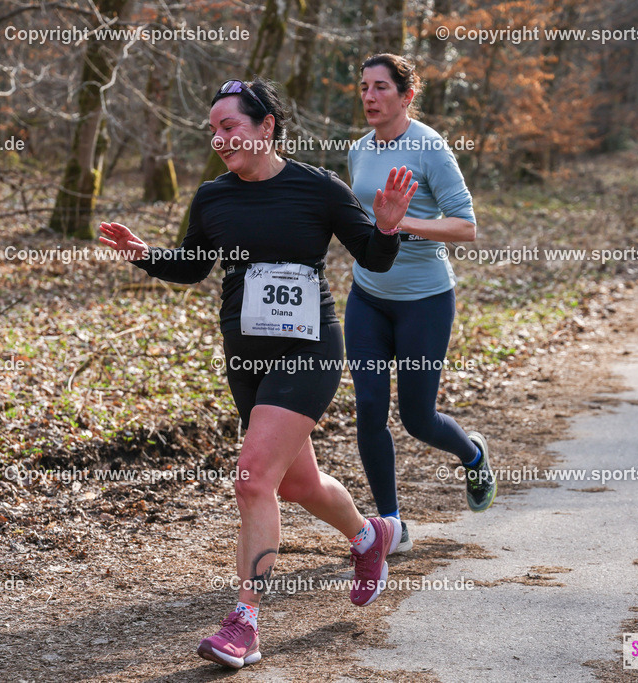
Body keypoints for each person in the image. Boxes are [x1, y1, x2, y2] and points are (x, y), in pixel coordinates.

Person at [98, 78, 417, 669]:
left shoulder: (320, 189)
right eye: (214, 130)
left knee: (251, 481)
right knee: (297, 485)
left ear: (266, 125)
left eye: (231, 126)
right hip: (245, 358)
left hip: (309, 350)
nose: (220, 139)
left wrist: (389, 227)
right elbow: (194, 267)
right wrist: (145, 254)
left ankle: (244, 621)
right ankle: (368, 537)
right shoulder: (213, 197)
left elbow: (372, 258)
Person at [343, 54, 496, 556]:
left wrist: (400, 224)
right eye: (364, 86)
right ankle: (391, 522)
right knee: (368, 408)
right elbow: (364, 221)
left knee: (416, 417)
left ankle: (473, 455)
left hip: (424, 300)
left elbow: (466, 226)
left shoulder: (429, 148)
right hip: (367, 294)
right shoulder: (359, 151)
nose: (369, 96)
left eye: (381, 87)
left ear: (406, 96)